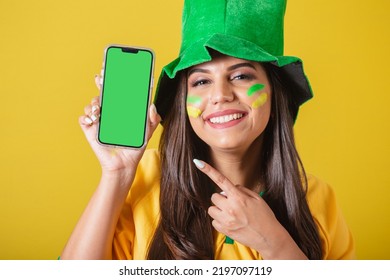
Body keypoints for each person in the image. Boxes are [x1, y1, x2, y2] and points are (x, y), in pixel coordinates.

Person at [61, 0, 355, 260]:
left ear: (275, 92)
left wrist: (276, 245)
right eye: (201, 81)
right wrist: (117, 174)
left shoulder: (318, 199)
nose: (220, 95)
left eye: (240, 75)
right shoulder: (144, 178)